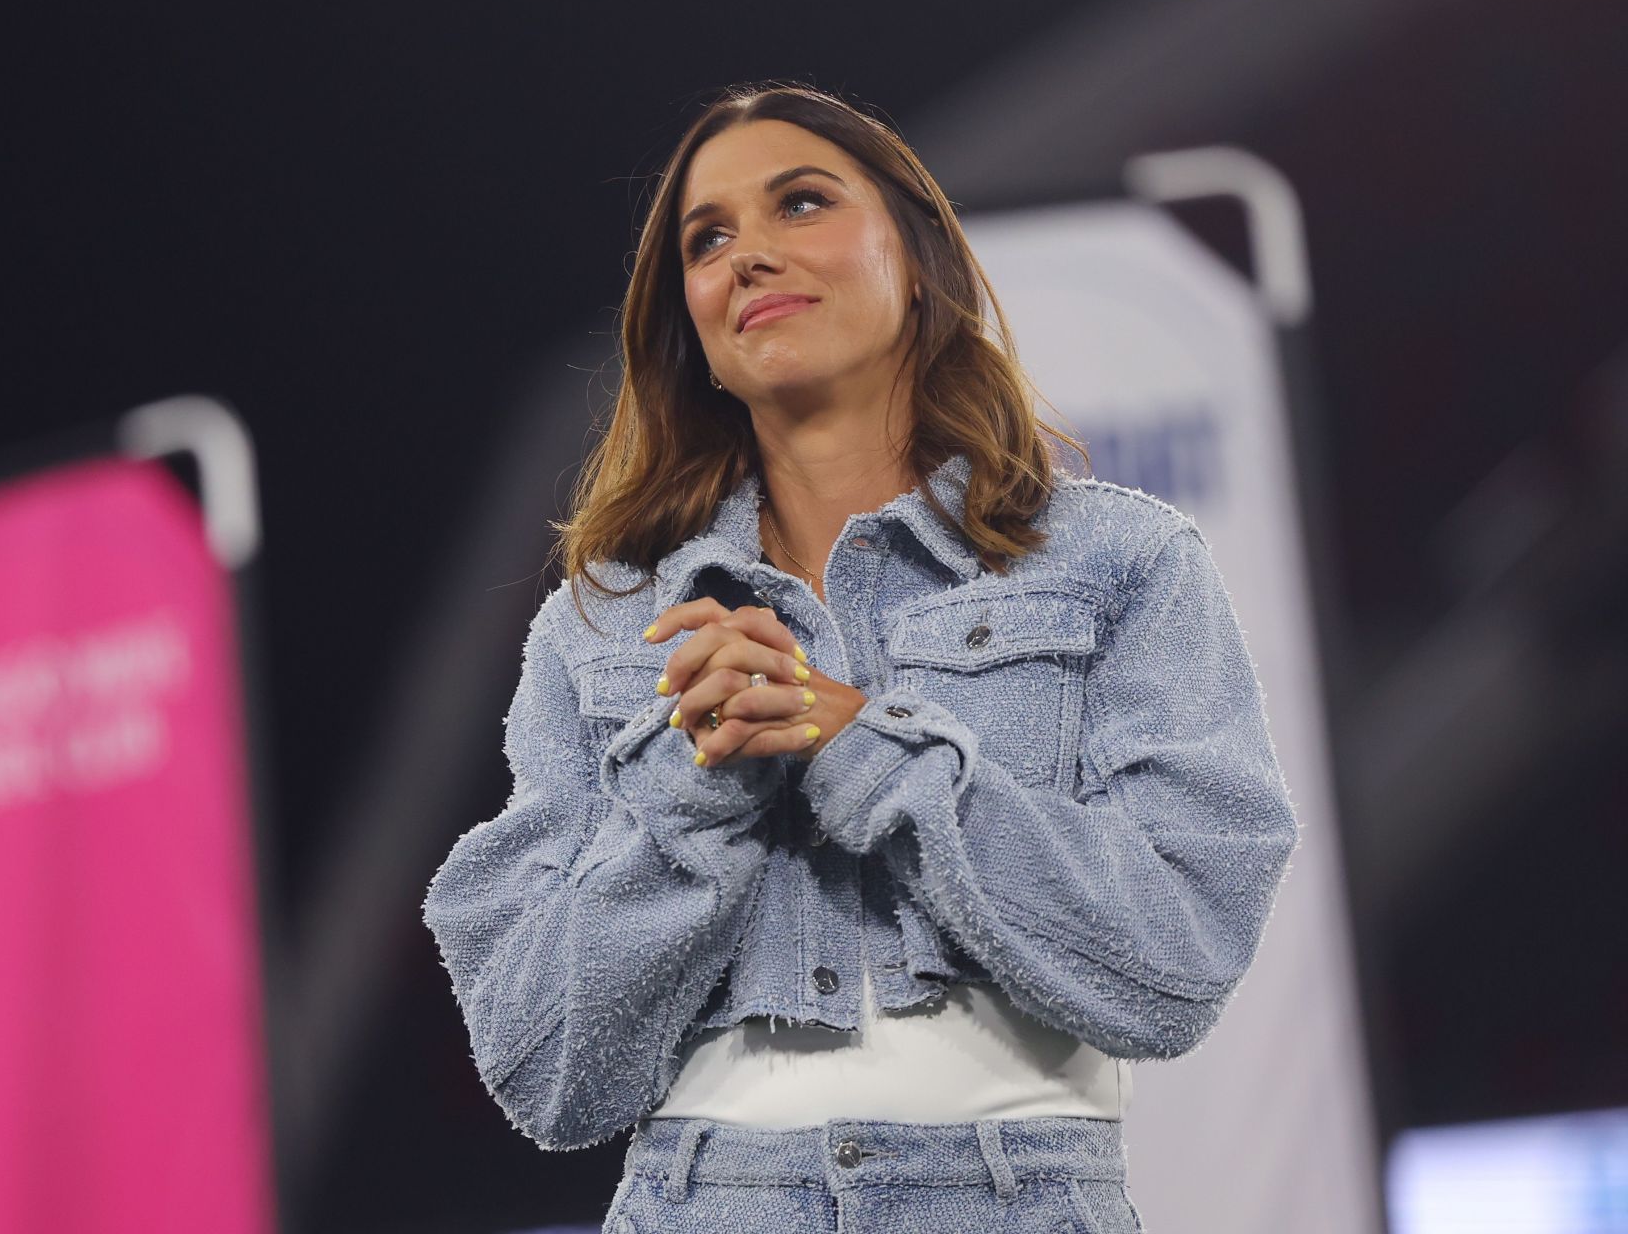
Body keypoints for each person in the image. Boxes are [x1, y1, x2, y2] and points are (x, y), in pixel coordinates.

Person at [421, 80, 1300, 1233]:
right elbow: (548, 1072)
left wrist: (864, 743)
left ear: (921, 256)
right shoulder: (600, 625)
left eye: (801, 202)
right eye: (709, 237)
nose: (748, 255)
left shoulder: (1121, 562)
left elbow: (1173, 961)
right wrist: (697, 795)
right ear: (686, 315)